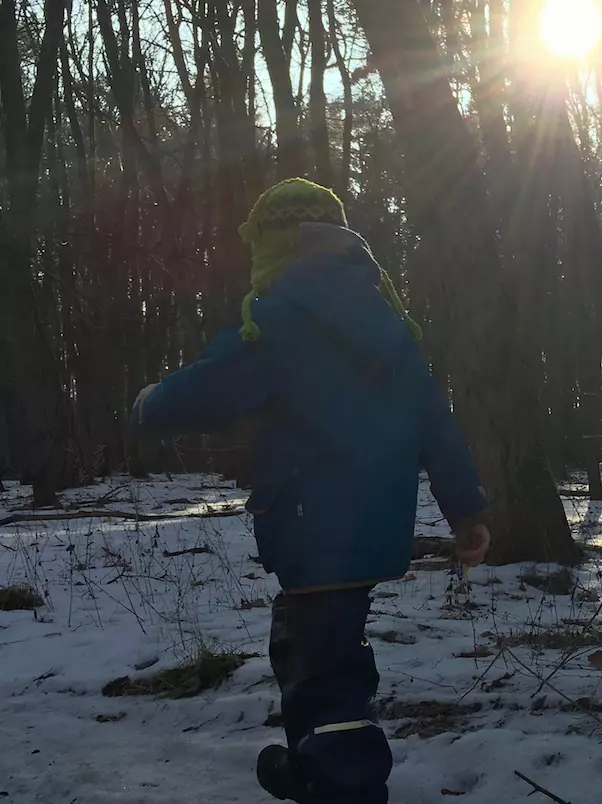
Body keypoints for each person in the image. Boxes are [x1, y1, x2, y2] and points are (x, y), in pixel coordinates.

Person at [129, 178, 492, 804]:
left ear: (277, 245)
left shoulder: (281, 318)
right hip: (374, 529)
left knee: (322, 666)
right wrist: (466, 509)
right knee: (323, 648)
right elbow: (435, 422)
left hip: (309, 524)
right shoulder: (387, 322)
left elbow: (216, 386)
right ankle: (316, 767)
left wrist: (151, 404)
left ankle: (342, 782)